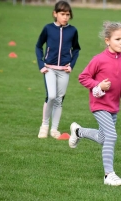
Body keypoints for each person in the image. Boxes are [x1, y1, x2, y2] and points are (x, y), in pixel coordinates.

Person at [69, 21, 121, 186]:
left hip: (114, 106)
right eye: (118, 39)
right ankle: (109, 175)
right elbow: (83, 77)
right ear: (107, 41)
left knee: (103, 137)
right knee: (112, 136)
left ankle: (78, 131)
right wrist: (98, 86)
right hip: (99, 105)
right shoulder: (98, 59)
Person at [35, 1, 81, 139]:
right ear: (55, 14)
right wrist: (41, 64)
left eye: (68, 14)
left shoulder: (73, 31)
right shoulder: (48, 28)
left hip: (64, 70)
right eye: (62, 14)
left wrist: (71, 65)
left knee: (59, 100)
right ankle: (44, 126)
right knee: (51, 96)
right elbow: (38, 46)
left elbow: (76, 49)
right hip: (49, 68)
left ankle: (54, 130)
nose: (65, 17)